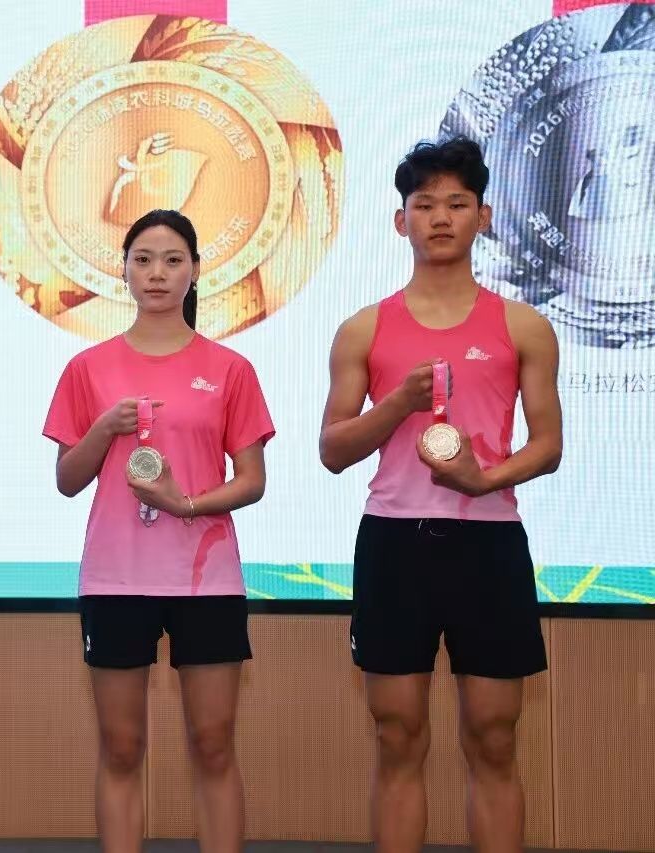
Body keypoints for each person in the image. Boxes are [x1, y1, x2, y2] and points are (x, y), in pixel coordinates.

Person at [319, 137, 562, 853]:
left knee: (493, 735)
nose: (441, 217)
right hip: (395, 542)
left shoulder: (523, 325)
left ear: (483, 217)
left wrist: (485, 479)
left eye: (457, 203)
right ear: (402, 222)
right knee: (398, 735)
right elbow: (333, 449)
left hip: (489, 543)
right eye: (424, 205)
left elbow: (548, 444)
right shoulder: (365, 328)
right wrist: (397, 404)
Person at [43, 209, 274, 853]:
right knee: (121, 747)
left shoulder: (229, 368)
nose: (157, 273)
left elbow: (252, 481)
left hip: (207, 580)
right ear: (122, 270)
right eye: (142, 259)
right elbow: (67, 479)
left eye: (173, 260)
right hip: (116, 578)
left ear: (196, 270)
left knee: (213, 744)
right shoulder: (88, 368)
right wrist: (102, 430)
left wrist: (186, 503)